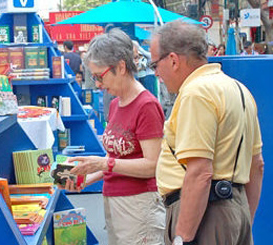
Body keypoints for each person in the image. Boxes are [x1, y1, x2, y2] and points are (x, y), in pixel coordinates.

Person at [150, 20, 264, 245]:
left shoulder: (196, 93)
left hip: (202, 214)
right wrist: (242, 216)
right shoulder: (239, 90)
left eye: (155, 65)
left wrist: (183, 236)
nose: (156, 74)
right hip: (234, 207)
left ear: (173, 60)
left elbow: (200, 172)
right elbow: (257, 165)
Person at [64, 28, 166, 245]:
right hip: (115, 202)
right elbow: (118, 160)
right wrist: (87, 177)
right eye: (94, 77)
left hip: (139, 205)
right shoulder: (115, 104)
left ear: (121, 67)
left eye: (100, 76)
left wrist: (103, 163)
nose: (98, 84)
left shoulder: (146, 105)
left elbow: (152, 165)